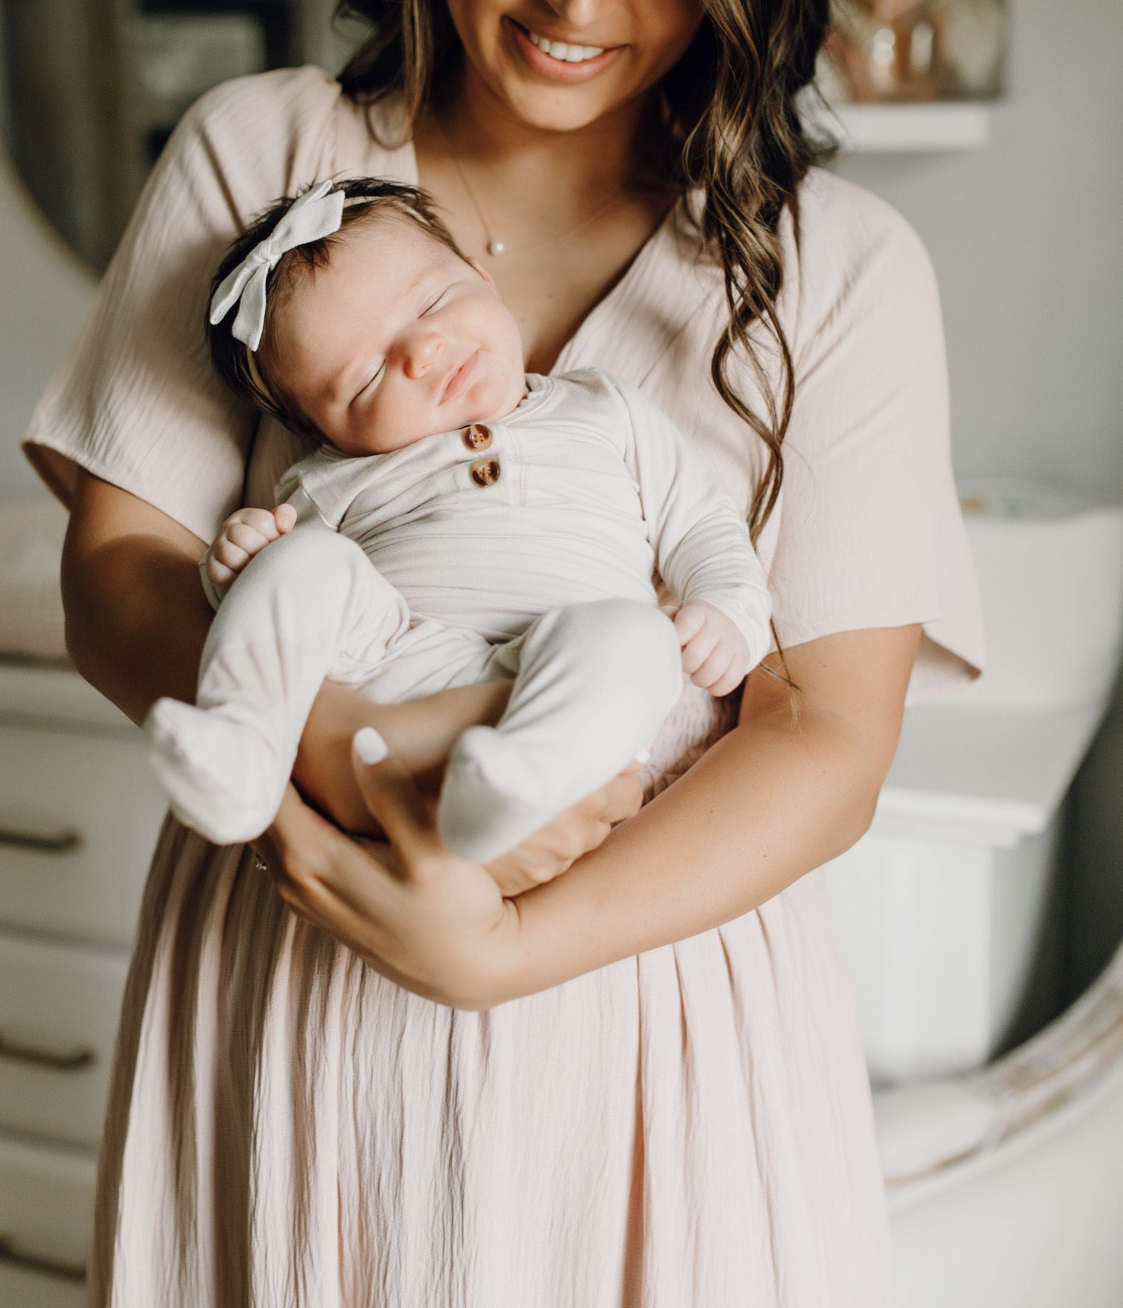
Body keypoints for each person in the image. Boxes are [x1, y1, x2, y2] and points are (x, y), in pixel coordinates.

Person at [24, 0, 982, 1308]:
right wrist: (358, 765)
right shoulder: (261, 161)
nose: (577, 0)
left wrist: (512, 939)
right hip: (302, 940)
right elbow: (120, 567)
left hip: (651, 1010)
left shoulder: (836, 271)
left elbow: (825, 733)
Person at [144, 175, 770, 858]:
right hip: (406, 663)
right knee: (299, 562)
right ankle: (243, 743)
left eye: (434, 302)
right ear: (327, 432)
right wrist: (237, 564)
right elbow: (298, 612)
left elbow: (703, 522)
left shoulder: (603, 408)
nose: (422, 352)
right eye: (368, 376)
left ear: (483, 278)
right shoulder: (329, 480)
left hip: (573, 675)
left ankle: (519, 784)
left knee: (642, 639)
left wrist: (728, 609)